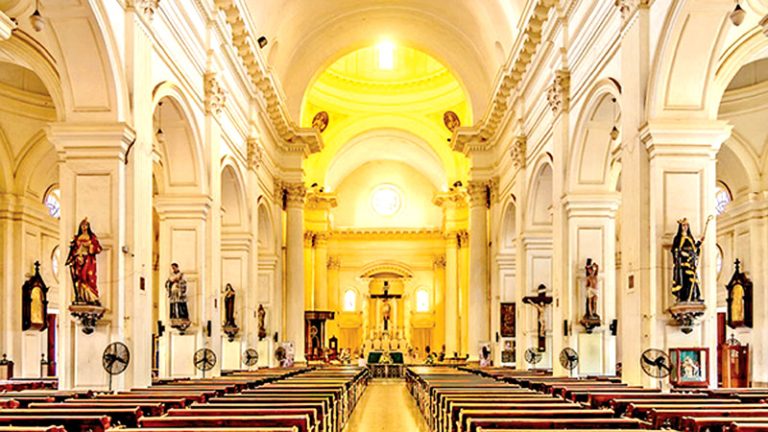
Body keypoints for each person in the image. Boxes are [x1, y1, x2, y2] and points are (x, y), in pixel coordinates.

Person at [671, 217, 709, 303]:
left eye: (686, 225)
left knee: (693, 280)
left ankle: (694, 296)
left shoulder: (690, 238)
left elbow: (694, 249)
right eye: (683, 225)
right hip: (682, 265)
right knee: (685, 281)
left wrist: (699, 243)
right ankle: (684, 298)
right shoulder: (677, 238)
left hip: (690, 264)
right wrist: (682, 253)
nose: (685, 227)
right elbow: (675, 250)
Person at [66, 218, 103, 305]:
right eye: (82, 225)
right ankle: (81, 297)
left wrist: (90, 246)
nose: (84, 227)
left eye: (86, 225)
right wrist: (75, 256)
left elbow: (98, 248)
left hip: (88, 260)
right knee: (79, 279)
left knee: (88, 277)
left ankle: (91, 297)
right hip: (78, 260)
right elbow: (73, 250)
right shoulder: (76, 238)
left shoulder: (92, 237)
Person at [166, 263, 190, 330]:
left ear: (177, 267)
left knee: (181, 307)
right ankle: (174, 320)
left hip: (179, 293)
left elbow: (184, 283)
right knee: (174, 307)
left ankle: (183, 320)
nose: (173, 269)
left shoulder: (181, 275)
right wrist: (170, 284)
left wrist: (179, 283)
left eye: (174, 267)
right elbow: (168, 283)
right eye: (172, 268)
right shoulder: (171, 275)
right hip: (173, 293)